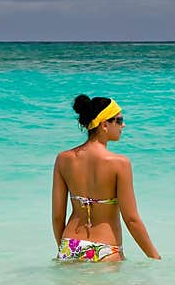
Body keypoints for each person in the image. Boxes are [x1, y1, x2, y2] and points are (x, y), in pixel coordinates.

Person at [52, 95, 161, 262]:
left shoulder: (63, 159)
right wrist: (155, 257)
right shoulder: (119, 164)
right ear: (104, 125)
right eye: (118, 120)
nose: (123, 125)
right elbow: (131, 220)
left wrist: (66, 250)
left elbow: (58, 217)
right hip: (105, 249)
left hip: (70, 245)